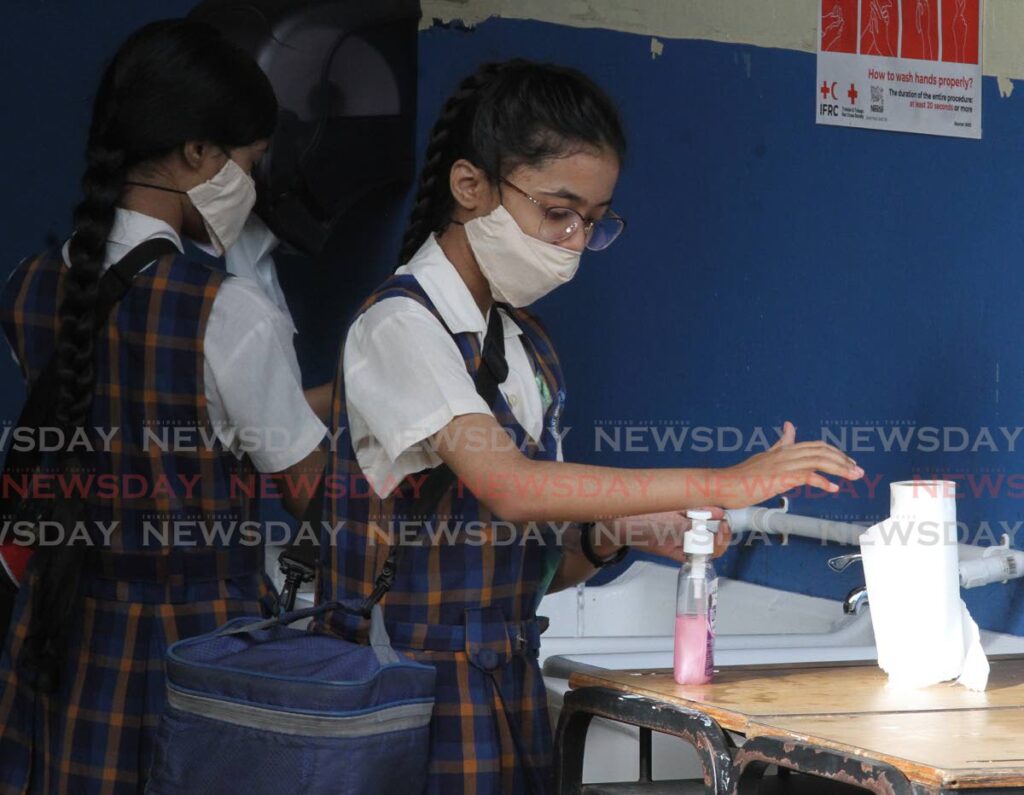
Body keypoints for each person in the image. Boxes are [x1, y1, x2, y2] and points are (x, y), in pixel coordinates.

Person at [318, 60, 864, 794]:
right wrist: (724, 480)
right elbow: (510, 487)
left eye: (594, 221)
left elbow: (536, 560)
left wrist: (613, 533)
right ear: (470, 186)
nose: (575, 240)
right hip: (409, 688)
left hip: (505, 682)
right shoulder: (399, 327)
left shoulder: (527, 347)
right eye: (557, 212)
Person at [0, 19, 325, 794]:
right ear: (196, 155)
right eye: (250, 162)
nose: (252, 185)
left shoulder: (29, 286)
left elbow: (133, 411)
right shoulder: (230, 311)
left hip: (62, 637)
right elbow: (312, 491)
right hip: (194, 653)